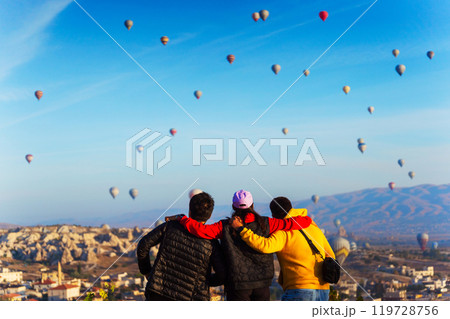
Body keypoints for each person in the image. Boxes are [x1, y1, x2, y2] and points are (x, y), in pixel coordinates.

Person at [171, 190, 312, 301]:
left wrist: (182, 219)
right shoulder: (268, 223)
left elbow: (202, 230)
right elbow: (296, 223)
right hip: (262, 284)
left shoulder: (224, 226)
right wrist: (306, 218)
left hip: (237, 286)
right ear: (252, 205)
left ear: (233, 206)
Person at [230, 196, 335, 301]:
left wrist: (241, 229)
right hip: (323, 290)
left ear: (273, 215)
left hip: (299, 289)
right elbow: (330, 255)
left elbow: (265, 245)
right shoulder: (313, 227)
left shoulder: (283, 233)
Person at [136, 192, 226, 301]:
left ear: (189, 210)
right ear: (210, 215)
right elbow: (222, 274)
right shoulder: (212, 243)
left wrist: (147, 271)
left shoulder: (170, 226)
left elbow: (143, 244)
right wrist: (204, 281)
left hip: (159, 292)